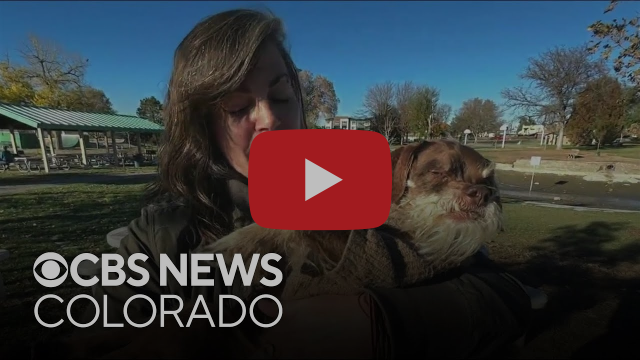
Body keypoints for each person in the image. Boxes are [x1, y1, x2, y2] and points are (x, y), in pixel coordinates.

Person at [68, 8, 537, 359]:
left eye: (281, 95)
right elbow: (84, 338)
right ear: (201, 124)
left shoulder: (370, 192)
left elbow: (504, 296)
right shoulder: (156, 240)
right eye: (237, 107)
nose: (270, 120)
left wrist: (385, 323)